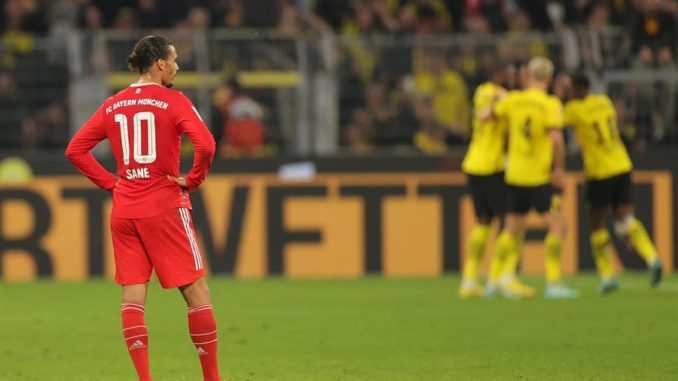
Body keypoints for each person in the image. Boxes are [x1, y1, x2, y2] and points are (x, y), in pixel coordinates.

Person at [65, 35, 222, 381]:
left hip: (124, 211)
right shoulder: (173, 100)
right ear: (160, 64)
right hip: (164, 206)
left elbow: (75, 150)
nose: (178, 66)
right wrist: (193, 180)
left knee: (133, 296)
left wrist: (112, 183)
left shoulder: (113, 104)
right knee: (197, 293)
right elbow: (207, 144)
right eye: (174, 59)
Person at [558, 73, 662, 293]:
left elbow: (554, 120)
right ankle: (652, 258)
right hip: (622, 164)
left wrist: (561, 95)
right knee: (626, 217)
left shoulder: (575, 109)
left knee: (597, 223)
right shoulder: (604, 101)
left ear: (576, 90)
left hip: (599, 171)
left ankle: (607, 275)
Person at [483, 56, 577, 299]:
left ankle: (493, 280)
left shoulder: (514, 100)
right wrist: (559, 169)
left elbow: (487, 115)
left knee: (511, 230)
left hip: (514, 175)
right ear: (549, 77)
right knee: (558, 226)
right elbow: (556, 139)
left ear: (528, 75)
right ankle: (554, 283)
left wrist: (494, 101)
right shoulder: (550, 104)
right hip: (537, 177)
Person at [458, 63, 511, 298]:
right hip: (492, 165)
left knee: (483, 222)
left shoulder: (481, 92)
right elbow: (490, 113)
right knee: (508, 221)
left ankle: (470, 280)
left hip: (473, 163)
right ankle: (496, 277)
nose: (508, 75)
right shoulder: (496, 94)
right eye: (505, 72)